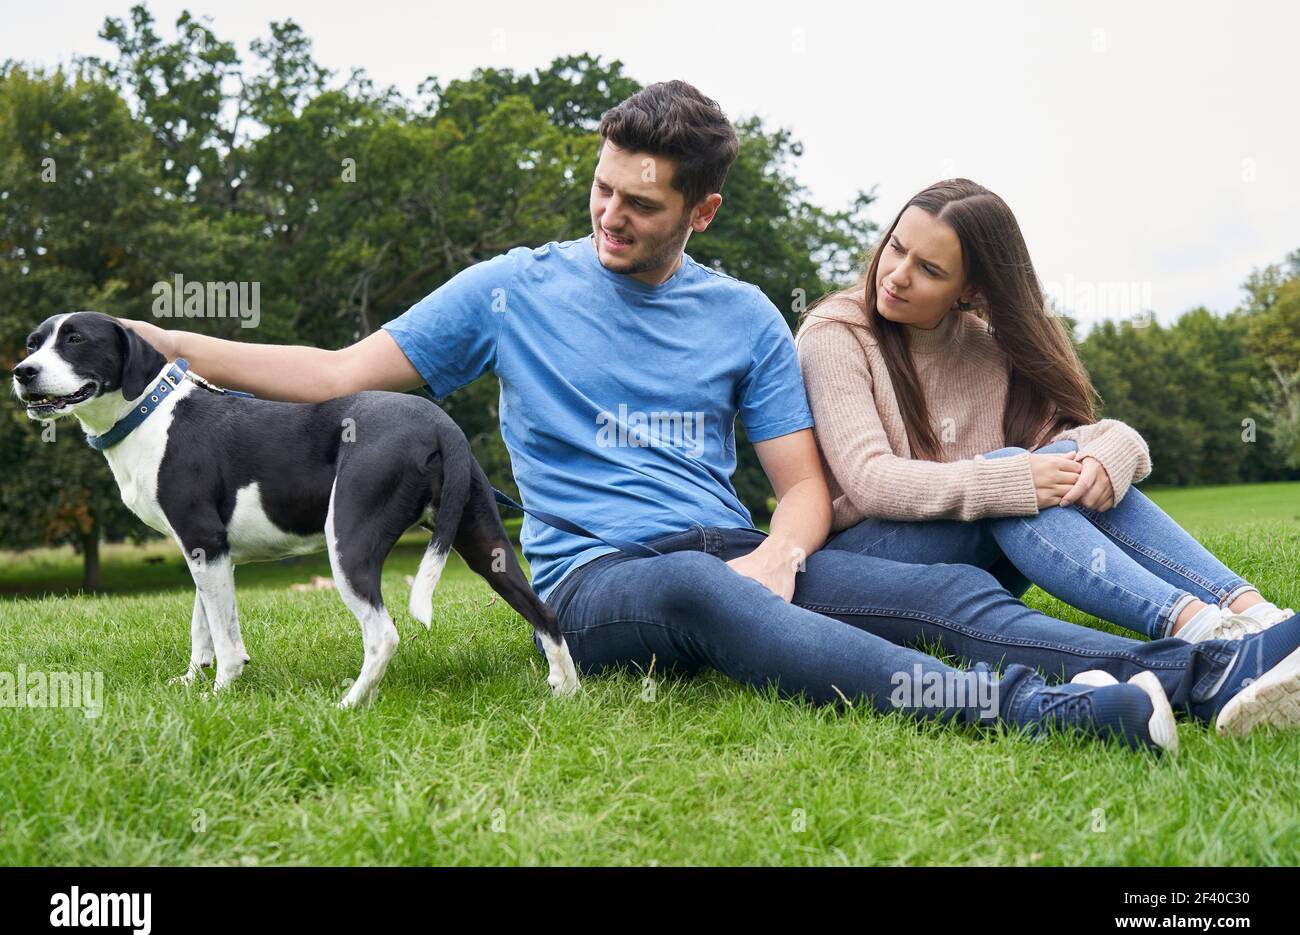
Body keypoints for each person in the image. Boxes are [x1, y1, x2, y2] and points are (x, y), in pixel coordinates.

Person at [122, 82, 1300, 752]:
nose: (610, 216)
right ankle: (1045, 715)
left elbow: (801, 484)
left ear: (704, 210)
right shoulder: (510, 288)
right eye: (601, 189)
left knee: (945, 591)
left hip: (736, 548)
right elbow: (334, 373)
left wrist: (784, 553)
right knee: (698, 591)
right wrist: (170, 342)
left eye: (641, 203)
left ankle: (1200, 669)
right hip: (600, 583)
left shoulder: (741, 316)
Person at [794, 178, 1293, 646]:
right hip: (859, 566)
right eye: (898, 249)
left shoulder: (989, 349)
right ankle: (1197, 625)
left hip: (975, 560)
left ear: (969, 291)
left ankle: (1254, 611)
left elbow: (1067, 442)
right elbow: (869, 480)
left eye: (929, 269)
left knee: (1061, 468)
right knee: (1012, 474)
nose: (897, 276)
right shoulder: (837, 332)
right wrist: (1007, 480)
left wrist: (1109, 453)